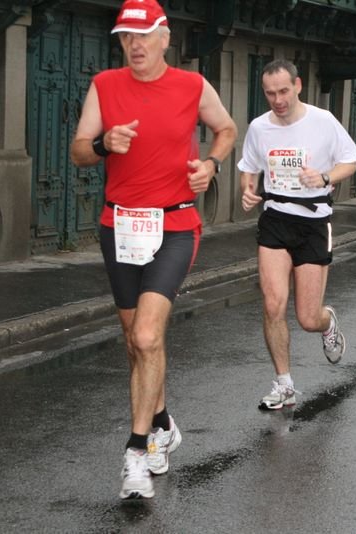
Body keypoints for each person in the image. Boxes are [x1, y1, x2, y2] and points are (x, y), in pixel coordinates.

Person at [70, 0, 237, 500]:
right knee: (135, 341)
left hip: (175, 224)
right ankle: (163, 422)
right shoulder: (105, 85)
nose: (134, 45)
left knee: (147, 335)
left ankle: (136, 451)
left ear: (166, 37)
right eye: (126, 37)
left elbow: (225, 129)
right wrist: (103, 146)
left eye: (143, 36)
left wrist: (211, 164)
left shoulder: (191, 85)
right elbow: (79, 148)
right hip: (119, 227)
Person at [238, 59, 356, 409]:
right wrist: (248, 191)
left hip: (313, 222)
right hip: (275, 218)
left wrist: (324, 178)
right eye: (270, 93)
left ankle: (327, 322)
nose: (277, 99)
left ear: (298, 85)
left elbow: (350, 160)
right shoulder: (260, 128)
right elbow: (249, 168)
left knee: (307, 317)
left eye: (283, 91)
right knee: (273, 304)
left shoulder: (323, 121)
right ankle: (284, 384)